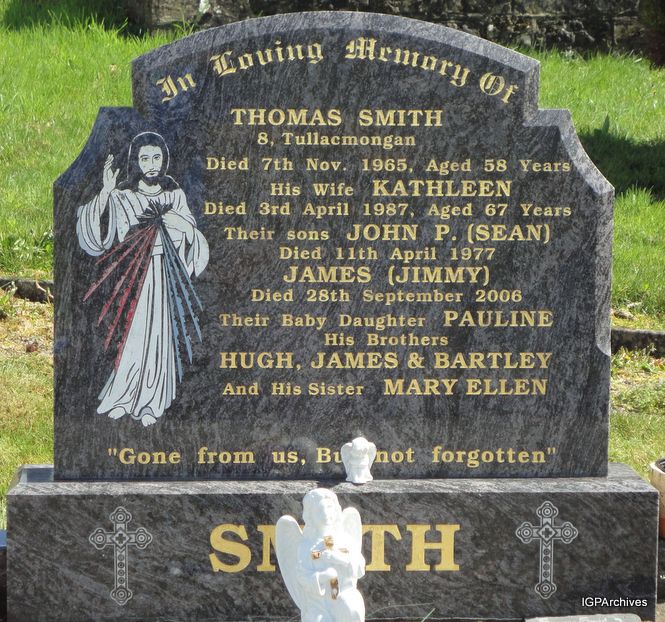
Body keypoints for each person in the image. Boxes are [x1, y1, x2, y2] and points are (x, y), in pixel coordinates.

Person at [76, 132, 208, 426]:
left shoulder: (174, 196)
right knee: (132, 337)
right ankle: (124, 396)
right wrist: (106, 191)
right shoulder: (125, 197)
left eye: (157, 157)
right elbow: (96, 236)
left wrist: (181, 224)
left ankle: (152, 402)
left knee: (159, 338)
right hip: (133, 277)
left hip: (164, 276)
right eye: (145, 158)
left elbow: (194, 236)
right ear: (135, 161)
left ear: (165, 160)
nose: (151, 164)